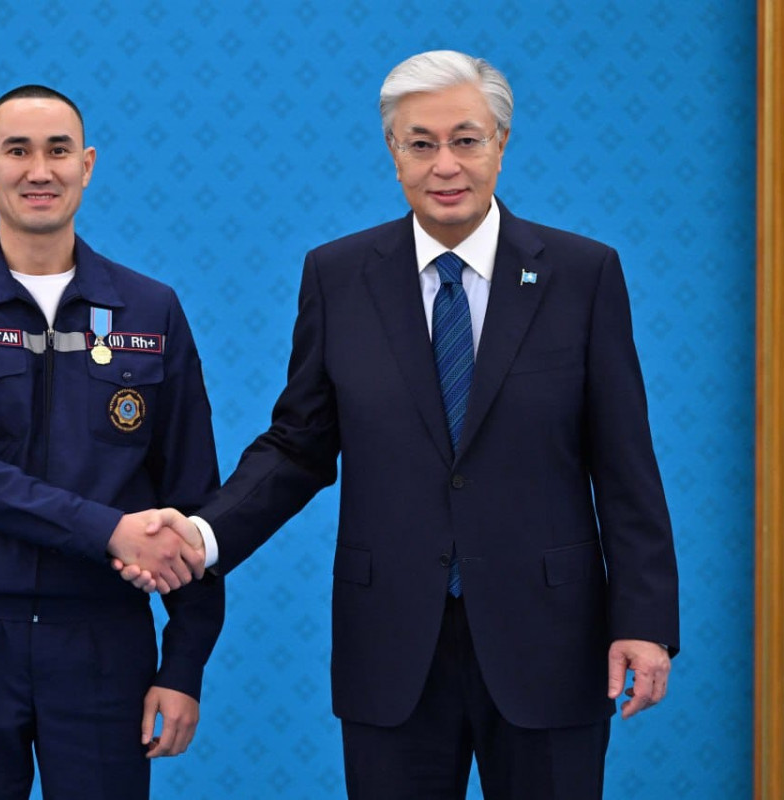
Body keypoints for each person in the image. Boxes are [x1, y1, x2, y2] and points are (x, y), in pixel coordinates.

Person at [118, 50, 679, 799]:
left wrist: (643, 618)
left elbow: (624, 463)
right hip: (390, 644)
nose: (445, 164)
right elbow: (299, 446)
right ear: (393, 151)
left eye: (466, 139)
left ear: (501, 143)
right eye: (421, 143)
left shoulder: (583, 274)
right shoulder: (338, 275)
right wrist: (202, 535)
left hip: (549, 639)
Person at [0, 84, 223, 800]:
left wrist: (183, 664)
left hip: (104, 639)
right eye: (18, 151)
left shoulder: (150, 309)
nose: (39, 171)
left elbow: (193, 495)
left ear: (87, 165)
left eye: (58, 151)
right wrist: (111, 532)